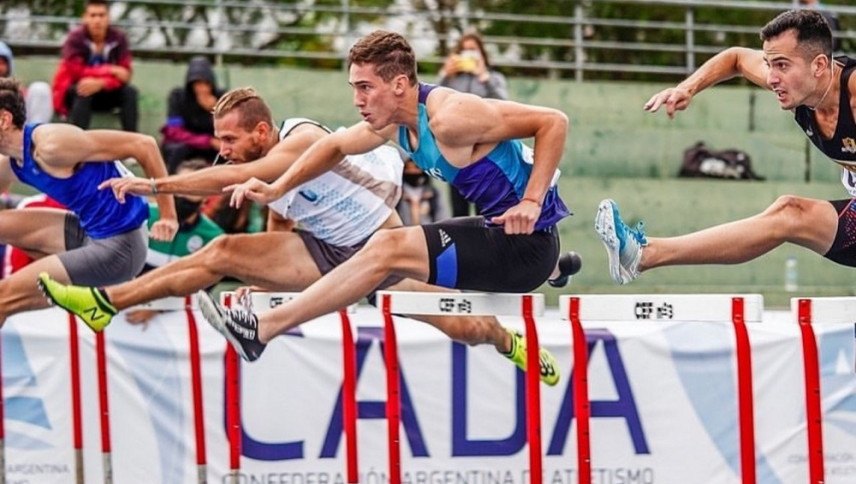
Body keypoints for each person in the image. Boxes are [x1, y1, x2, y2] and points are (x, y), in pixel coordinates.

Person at [38, 87, 564, 386]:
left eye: (229, 140)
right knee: (222, 252)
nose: (222, 151)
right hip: (326, 254)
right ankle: (107, 302)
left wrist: (156, 183)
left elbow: (220, 179)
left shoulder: (299, 141)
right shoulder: (265, 179)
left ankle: (510, 341)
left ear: (262, 134)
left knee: (468, 327)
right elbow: (279, 230)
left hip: (384, 248)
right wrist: (263, 288)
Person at [190, 31, 575, 367]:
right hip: (503, 234)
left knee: (386, 246)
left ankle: (261, 332)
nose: (357, 100)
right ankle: (557, 269)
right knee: (394, 255)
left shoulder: (450, 117)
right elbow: (335, 146)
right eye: (353, 88)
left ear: (399, 84)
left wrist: (532, 201)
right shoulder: (395, 124)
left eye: (365, 87)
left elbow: (553, 122)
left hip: (523, 248)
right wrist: (277, 188)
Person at [596, 9, 855, 286]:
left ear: (818, 65)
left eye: (781, 65)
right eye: (769, 64)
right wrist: (687, 88)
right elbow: (736, 58)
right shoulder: (799, 84)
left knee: (792, 213)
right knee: (790, 213)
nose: (771, 78)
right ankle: (642, 255)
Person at [0, 77, 176, 326]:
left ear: (4, 120)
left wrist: (168, 214)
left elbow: (143, 145)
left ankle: (84, 296)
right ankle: (77, 293)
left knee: (3, 297)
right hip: (87, 233)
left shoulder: (52, 144)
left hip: (121, 248)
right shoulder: (13, 163)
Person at [438, 31, 509, 218]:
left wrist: (484, 77)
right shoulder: (451, 79)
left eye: (473, 50)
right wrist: (445, 74)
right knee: (458, 210)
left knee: (485, 209)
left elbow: (504, 105)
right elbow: (431, 103)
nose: (469, 54)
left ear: (482, 54)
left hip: (486, 150)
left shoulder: (494, 78)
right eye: (465, 50)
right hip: (457, 149)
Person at [52, 0, 139, 132]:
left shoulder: (119, 38)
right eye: (93, 15)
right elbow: (76, 72)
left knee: (130, 92)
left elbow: (125, 75)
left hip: (105, 90)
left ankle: (133, 142)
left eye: (101, 15)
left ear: (108, 17)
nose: (97, 20)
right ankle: (78, 144)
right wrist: (110, 69)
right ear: (85, 17)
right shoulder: (75, 38)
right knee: (83, 89)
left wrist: (102, 83)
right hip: (76, 93)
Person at [161, 56, 224, 173]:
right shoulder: (178, 97)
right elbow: (173, 131)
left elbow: (229, 130)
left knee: (227, 150)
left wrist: (215, 110)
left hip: (212, 147)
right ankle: (170, 187)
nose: (202, 88)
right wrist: (207, 141)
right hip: (187, 144)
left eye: (206, 83)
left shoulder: (222, 97)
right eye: (197, 83)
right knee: (177, 150)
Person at [0, 41, 54, 124]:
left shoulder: (16, 90)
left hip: (18, 129)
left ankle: (35, 133)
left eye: (2, 63)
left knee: (40, 88)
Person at [396, 159, 449, 225]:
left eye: (416, 168)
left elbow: (442, 219)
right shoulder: (396, 194)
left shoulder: (434, 194)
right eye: (408, 169)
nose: (412, 172)